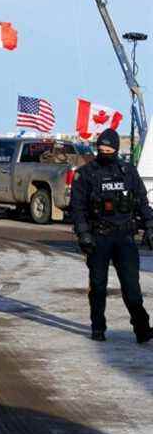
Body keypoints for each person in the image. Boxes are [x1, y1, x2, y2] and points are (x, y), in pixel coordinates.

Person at [70, 128, 153, 343]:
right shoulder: (85, 174)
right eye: (101, 149)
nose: (104, 152)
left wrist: (150, 227)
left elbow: (143, 203)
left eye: (109, 149)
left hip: (125, 238)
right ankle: (98, 328)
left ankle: (142, 328)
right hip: (99, 238)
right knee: (98, 287)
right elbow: (77, 208)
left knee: (132, 288)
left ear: (116, 149)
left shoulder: (128, 171)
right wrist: (84, 234)